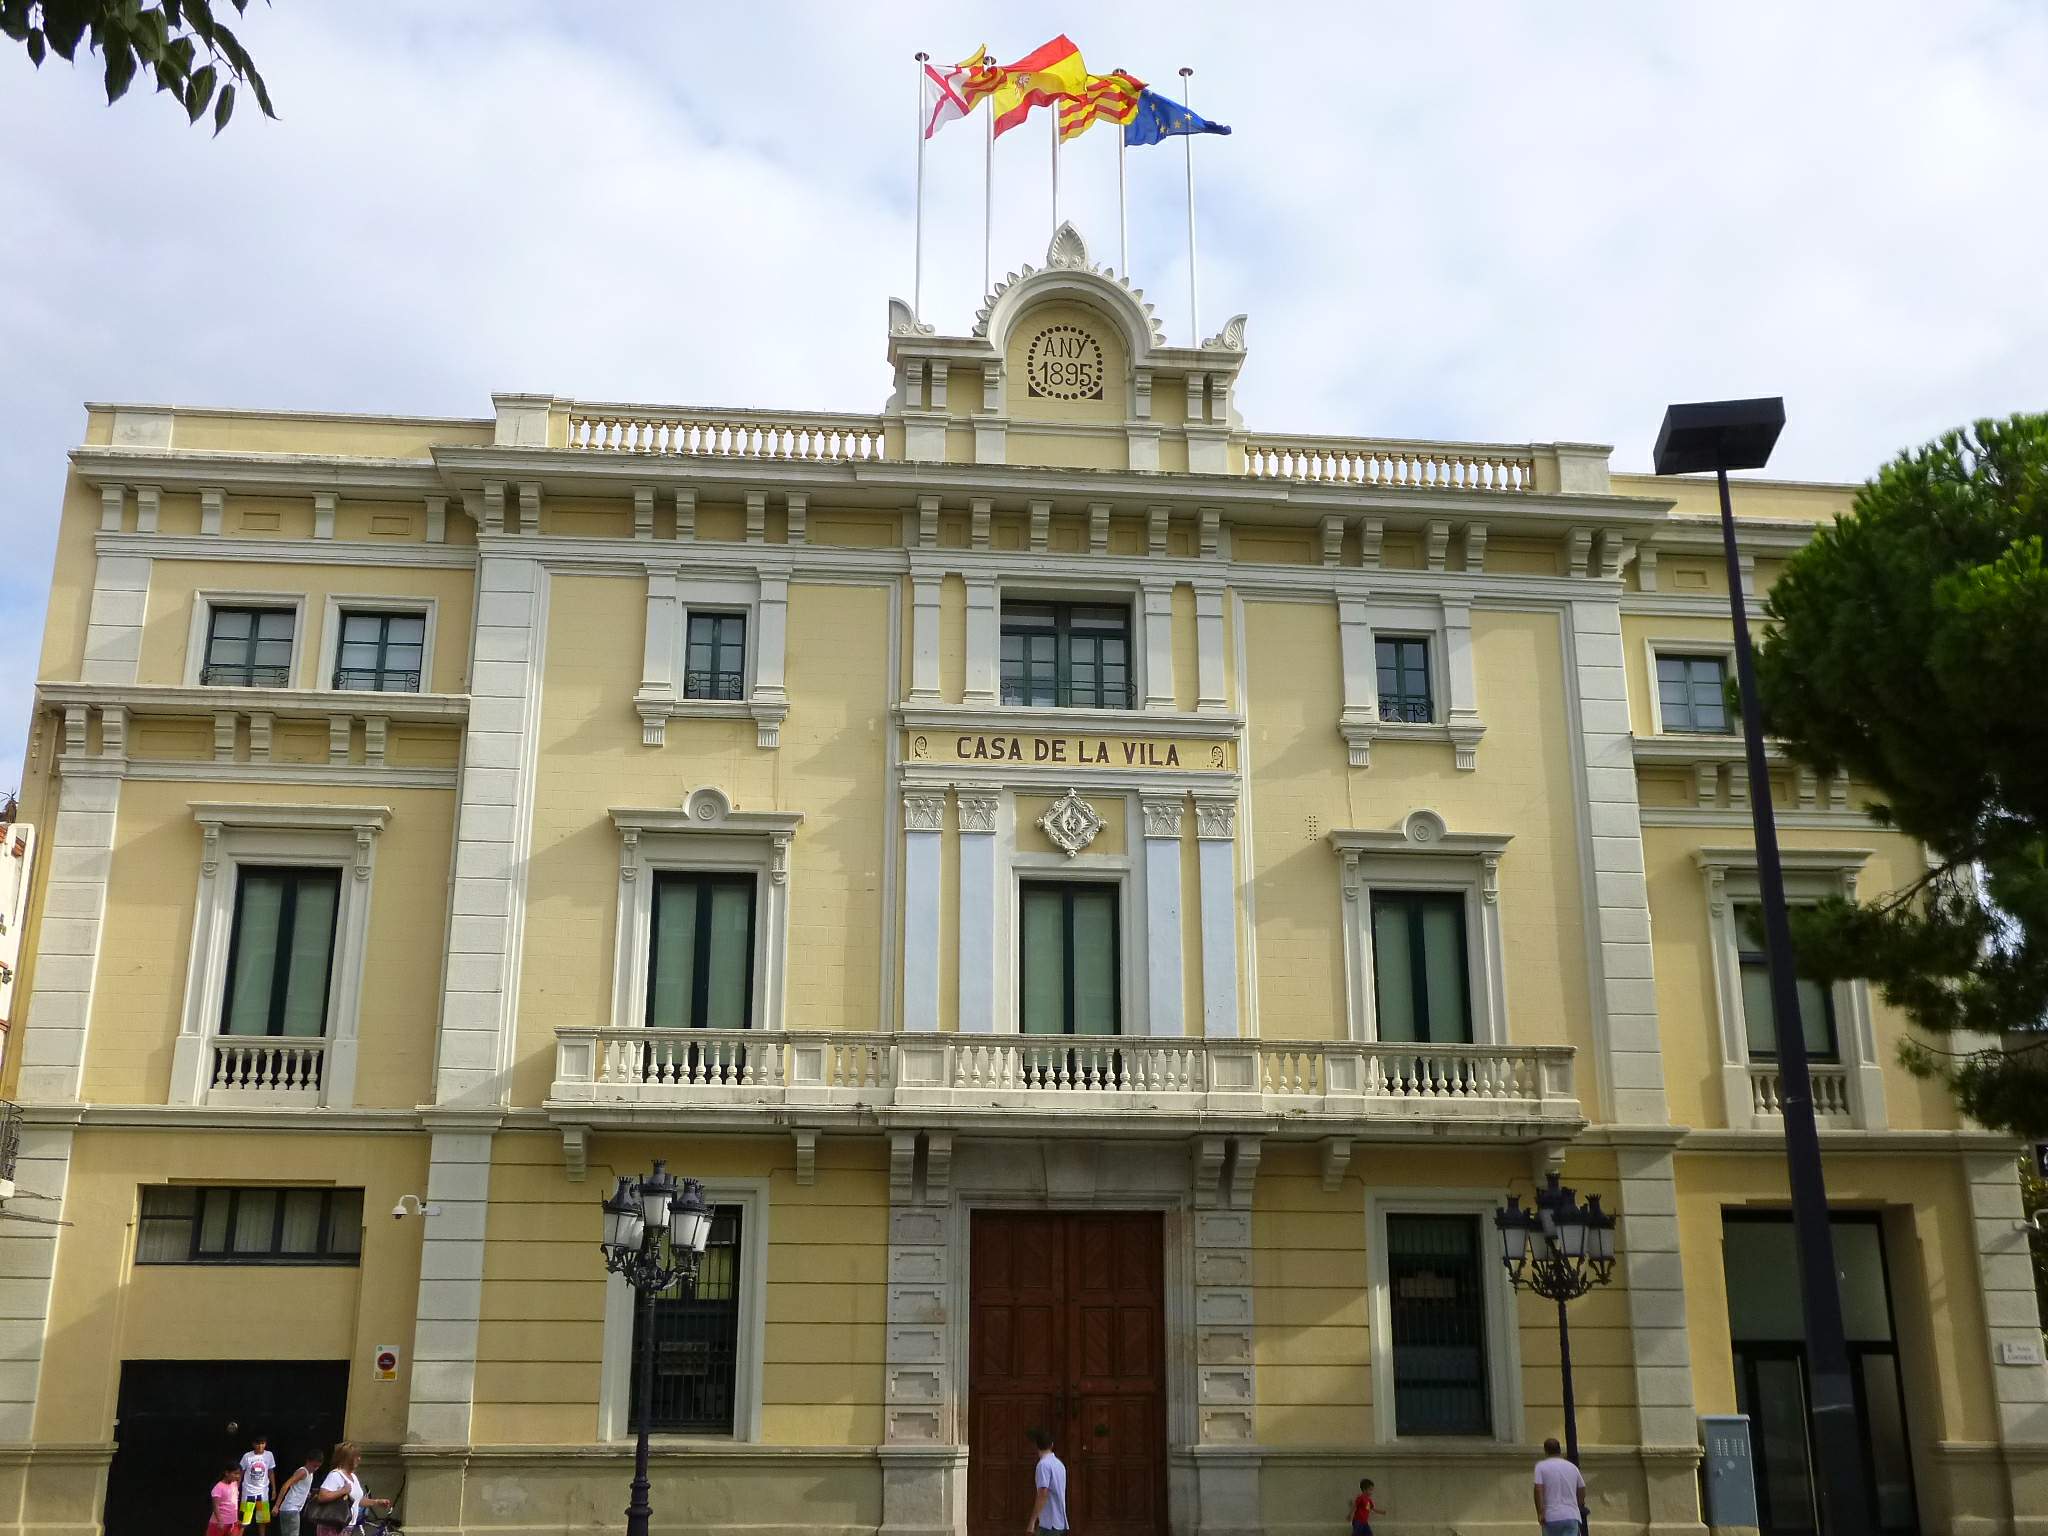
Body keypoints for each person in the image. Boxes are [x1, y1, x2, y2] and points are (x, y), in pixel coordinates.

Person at [308, 1443, 391, 1532]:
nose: (359, 1459)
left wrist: (377, 1502)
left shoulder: (353, 1477)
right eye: (355, 1457)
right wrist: (342, 1491)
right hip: (333, 1527)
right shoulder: (336, 1475)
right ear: (346, 1459)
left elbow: (357, 1500)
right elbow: (322, 1496)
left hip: (347, 1527)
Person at [1532, 1437, 1588, 1536]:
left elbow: (1538, 1489)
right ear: (1560, 1450)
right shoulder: (1572, 1467)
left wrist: (1540, 1512)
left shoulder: (1541, 1467)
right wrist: (1577, 1505)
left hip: (1551, 1516)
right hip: (1571, 1515)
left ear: (1546, 1451)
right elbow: (1582, 1488)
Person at [1024, 1426, 1067, 1536]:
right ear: (1052, 1445)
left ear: (1036, 1446)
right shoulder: (1059, 1465)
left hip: (1049, 1523)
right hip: (1060, 1520)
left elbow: (1043, 1493)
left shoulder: (1043, 1465)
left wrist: (1032, 1521)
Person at [275, 1450, 323, 1536]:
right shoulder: (302, 1472)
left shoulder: (310, 1474)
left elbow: (300, 1489)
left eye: (318, 1467)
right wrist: (276, 1506)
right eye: (314, 1466)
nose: (315, 1469)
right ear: (308, 1461)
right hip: (291, 1508)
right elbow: (286, 1486)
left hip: (289, 1509)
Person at [239, 1434, 278, 1534]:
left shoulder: (269, 1455)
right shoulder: (247, 1456)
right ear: (253, 1444)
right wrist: (236, 1488)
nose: (260, 1446)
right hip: (249, 1493)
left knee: (262, 1521)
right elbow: (241, 1473)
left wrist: (274, 1489)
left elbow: (270, 1472)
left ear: (265, 1444)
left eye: (262, 1444)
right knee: (244, 1520)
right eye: (258, 1444)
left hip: (263, 1493)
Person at [206, 1463, 243, 1536]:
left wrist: (235, 1519)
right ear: (226, 1473)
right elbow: (215, 1506)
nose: (237, 1476)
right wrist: (220, 1521)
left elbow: (234, 1503)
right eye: (235, 1473)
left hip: (233, 1523)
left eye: (239, 1474)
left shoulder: (234, 1484)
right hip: (219, 1523)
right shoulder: (218, 1487)